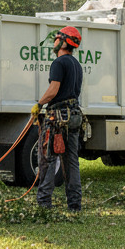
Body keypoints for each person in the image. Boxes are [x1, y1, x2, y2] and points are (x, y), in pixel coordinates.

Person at [33, 25, 84, 213]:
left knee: (48, 159)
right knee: (71, 161)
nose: (54, 42)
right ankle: (74, 205)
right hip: (75, 115)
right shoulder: (76, 65)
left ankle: (44, 204)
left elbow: (54, 90)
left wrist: (39, 104)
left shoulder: (59, 63)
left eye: (56, 38)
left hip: (58, 117)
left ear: (63, 42)